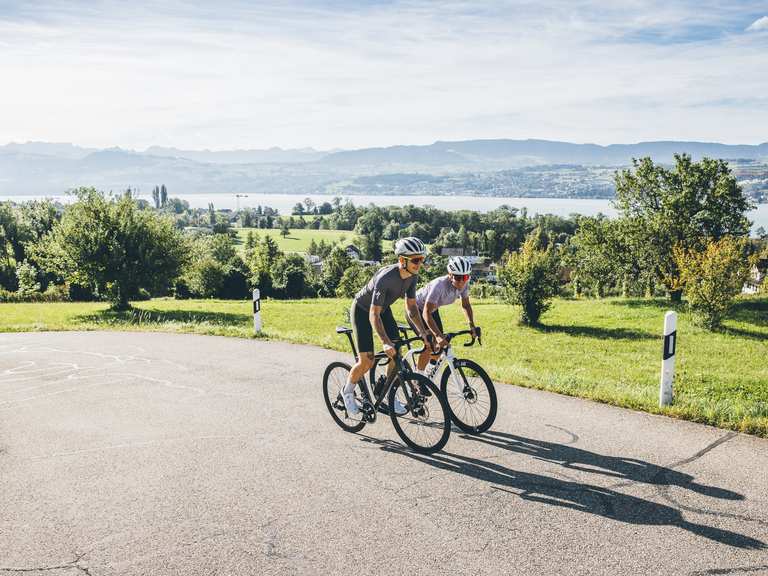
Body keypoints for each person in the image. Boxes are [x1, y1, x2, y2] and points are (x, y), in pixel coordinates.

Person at [341, 237, 432, 416]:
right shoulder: (385, 278)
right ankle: (347, 391)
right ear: (402, 260)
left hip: (383, 309)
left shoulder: (412, 276)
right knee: (367, 360)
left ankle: (387, 390)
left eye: (422, 259)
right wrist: (384, 341)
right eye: (415, 260)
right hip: (362, 310)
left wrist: (423, 332)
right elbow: (373, 314)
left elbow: (412, 308)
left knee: (397, 351)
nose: (419, 264)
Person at [407, 256, 477, 375]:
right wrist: (437, 336)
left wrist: (472, 325)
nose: (461, 281)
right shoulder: (439, 285)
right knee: (430, 343)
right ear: (450, 275)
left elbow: (466, 305)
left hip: (432, 310)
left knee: (441, 344)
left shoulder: (464, 284)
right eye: (458, 277)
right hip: (416, 309)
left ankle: (428, 372)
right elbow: (426, 312)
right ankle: (418, 377)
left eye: (465, 277)